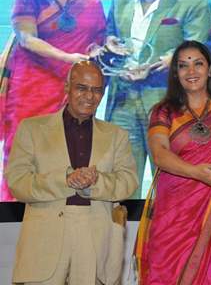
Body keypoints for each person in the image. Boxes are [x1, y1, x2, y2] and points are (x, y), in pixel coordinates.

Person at [6, 61, 138, 285]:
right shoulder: (31, 128)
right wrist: (65, 180)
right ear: (66, 87)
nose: (89, 96)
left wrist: (94, 183)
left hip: (96, 236)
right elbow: (17, 182)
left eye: (97, 90)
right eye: (81, 87)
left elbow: (129, 182)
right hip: (45, 238)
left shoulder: (117, 135)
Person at [134, 40, 211, 284]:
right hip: (173, 219)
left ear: (209, 69)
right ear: (175, 73)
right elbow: (159, 154)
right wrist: (197, 173)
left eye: (198, 63)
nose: (191, 71)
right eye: (183, 66)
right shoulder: (164, 112)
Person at [104, 0, 211, 197]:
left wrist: (161, 63)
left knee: (171, 184)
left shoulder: (194, 1)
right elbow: (109, 38)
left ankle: (169, 233)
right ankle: (126, 233)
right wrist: (110, 45)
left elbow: (195, 49)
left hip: (168, 105)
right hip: (122, 103)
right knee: (121, 184)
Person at [0, 0, 106, 201]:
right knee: (24, 149)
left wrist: (103, 49)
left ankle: (60, 208)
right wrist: (67, 58)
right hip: (32, 87)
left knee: (69, 151)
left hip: (76, 88)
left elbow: (99, 37)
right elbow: (27, 39)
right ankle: (15, 211)